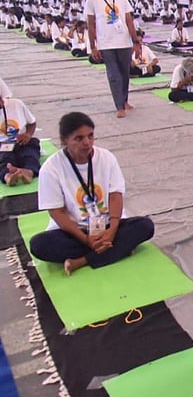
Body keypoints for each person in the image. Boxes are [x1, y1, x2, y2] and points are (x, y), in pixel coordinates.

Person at [29, 112, 155, 275]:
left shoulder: (106, 158)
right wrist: (86, 240)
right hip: (75, 231)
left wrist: (112, 230)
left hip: (108, 227)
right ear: (64, 140)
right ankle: (118, 250)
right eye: (79, 138)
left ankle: (81, 261)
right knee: (39, 245)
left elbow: (115, 195)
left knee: (145, 226)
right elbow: (56, 212)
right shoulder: (51, 168)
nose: (87, 142)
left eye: (90, 136)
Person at [85, 0, 142, 118]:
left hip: (124, 41)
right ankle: (119, 106)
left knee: (125, 74)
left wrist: (136, 40)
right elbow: (91, 24)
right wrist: (93, 46)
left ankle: (124, 100)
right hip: (106, 43)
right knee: (114, 75)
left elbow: (129, 19)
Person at [0, 95, 40, 186]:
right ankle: (8, 176)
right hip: (2, 146)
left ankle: (28, 172)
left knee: (30, 153)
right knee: (4, 159)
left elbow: (32, 123)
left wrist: (28, 135)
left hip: (21, 141)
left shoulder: (16, 104)